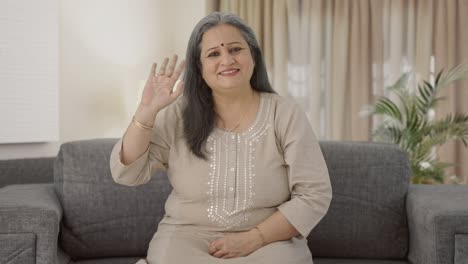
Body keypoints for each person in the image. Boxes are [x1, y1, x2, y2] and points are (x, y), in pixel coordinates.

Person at [110, 12, 332, 264]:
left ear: (253, 57)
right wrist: (146, 111)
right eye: (213, 54)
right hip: (186, 238)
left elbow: (314, 194)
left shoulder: (284, 113)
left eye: (236, 49)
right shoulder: (177, 115)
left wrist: (254, 238)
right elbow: (127, 174)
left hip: (269, 241)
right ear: (199, 67)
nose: (227, 59)